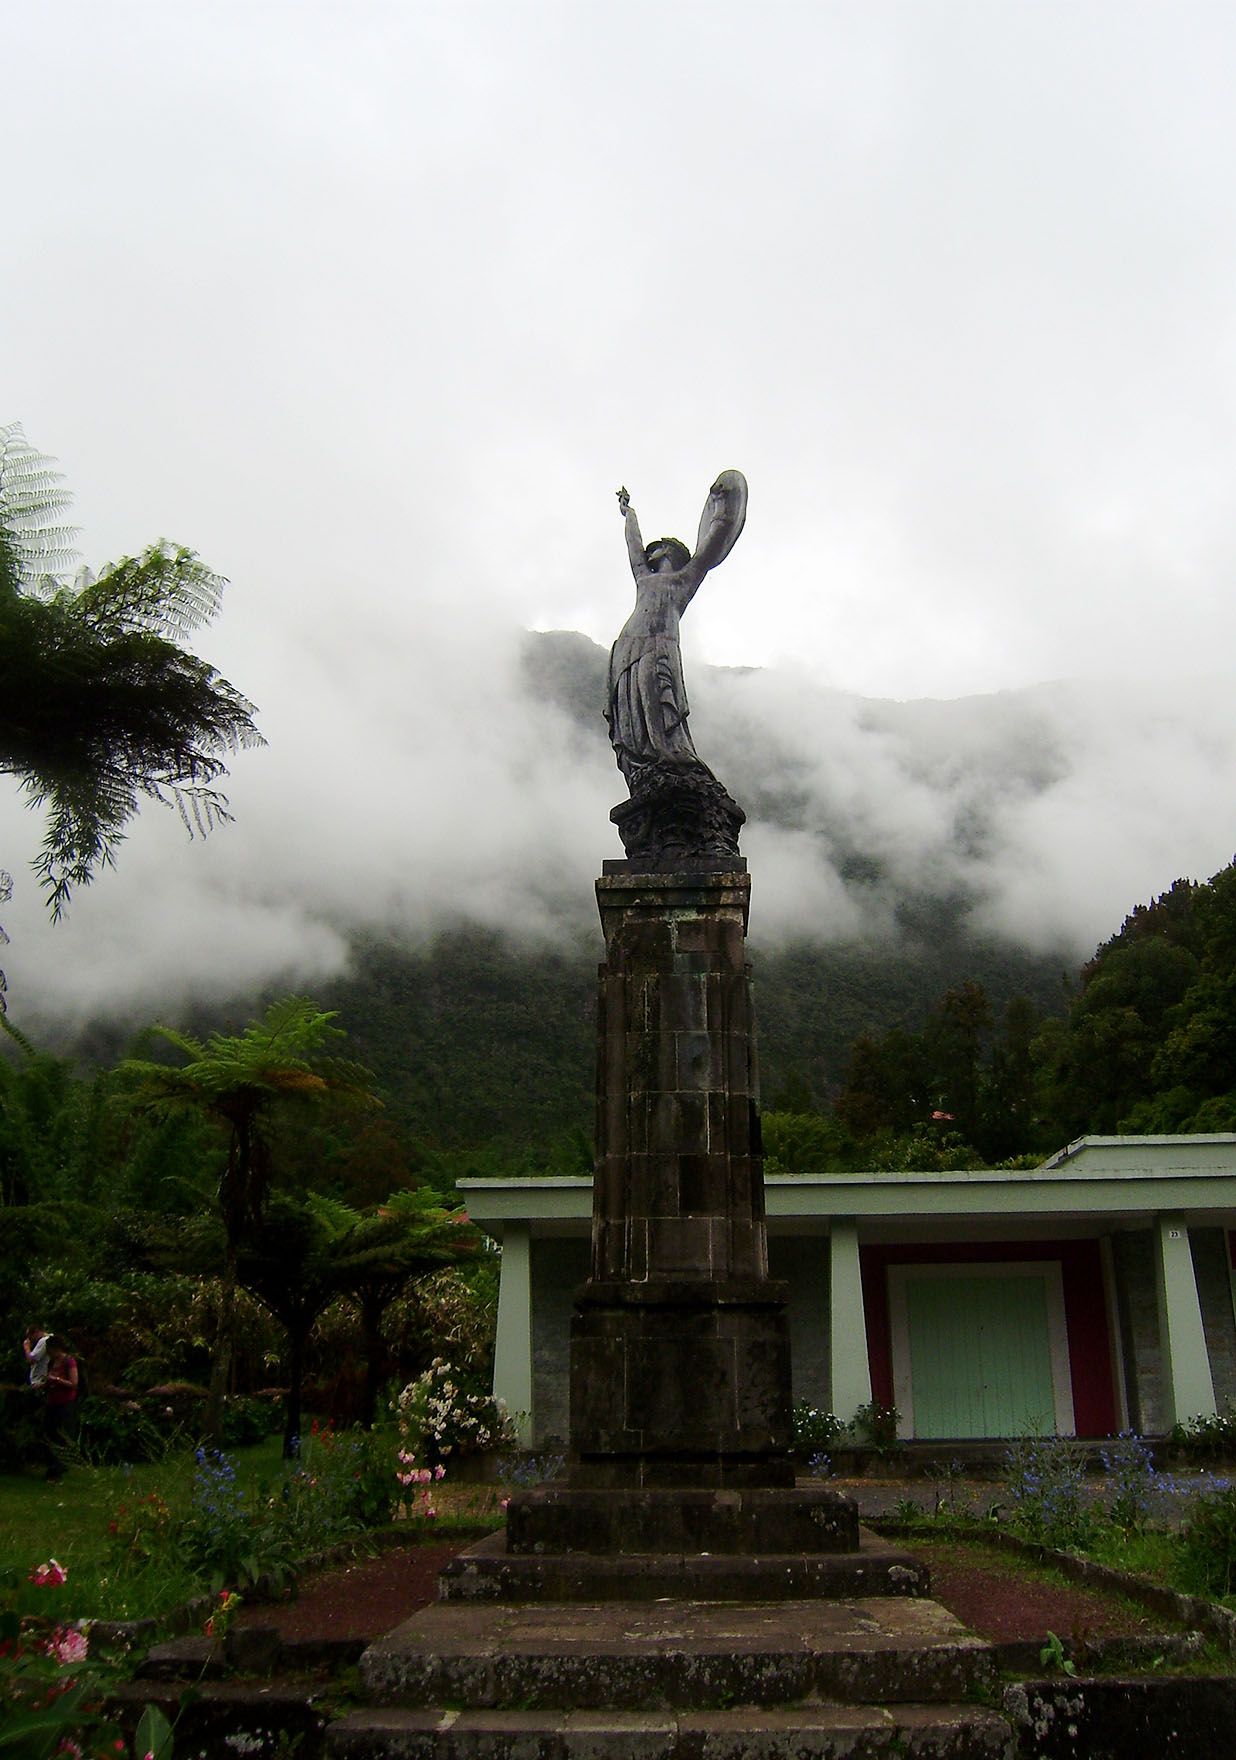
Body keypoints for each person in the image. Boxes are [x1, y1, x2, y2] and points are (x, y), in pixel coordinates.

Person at [605, 472, 748, 790]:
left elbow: (713, 543)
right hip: (629, 644)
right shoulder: (644, 578)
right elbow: (633, 546)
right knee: (632, 708)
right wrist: (629, 513)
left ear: (669, 552)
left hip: (660, 644)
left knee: (656, 697)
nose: (649, 553)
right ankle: (643, 760)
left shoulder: (686, 577)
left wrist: (724, 501)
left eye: (657, 549)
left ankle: (669, 755)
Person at [42, 1336, 79, 1482]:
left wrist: (57, 1380)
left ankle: (57, 1470)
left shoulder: (69, 1361)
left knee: (60, 1437)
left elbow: (74, 1383)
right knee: (48, 1433)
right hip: (52, 1401)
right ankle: (51, 1466)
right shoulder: (52, 1362)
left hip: (65, 1403)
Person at [22, 1325, 49, 1392]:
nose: (30, 1340)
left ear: (36, 1332)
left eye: (30, 1337)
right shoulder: (49, 1339)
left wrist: (27, 1348)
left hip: (39, 1381)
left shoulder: (43, 1341)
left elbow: (31, 1360)